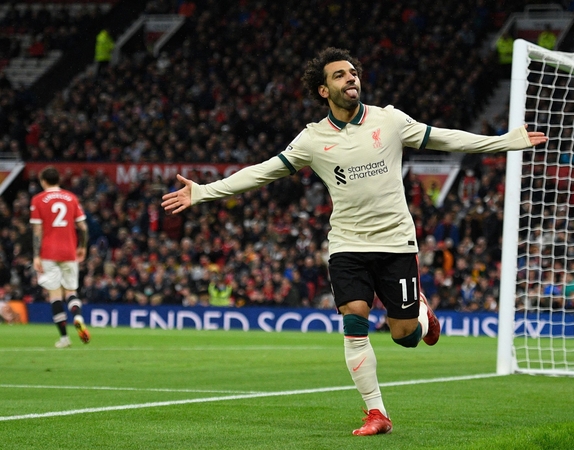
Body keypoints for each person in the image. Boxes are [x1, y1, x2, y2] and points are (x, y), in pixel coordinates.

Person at [161, 47, 547, 435]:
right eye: (340, 75)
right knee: (355, 320)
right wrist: (203, 191)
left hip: (395, 243)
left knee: (405, 337)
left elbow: (445, 138)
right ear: (323, 90)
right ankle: (377, 413)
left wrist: (504, 141)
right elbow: (263, 171)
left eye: (353, 73)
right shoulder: (313, 139)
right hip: (347, 245)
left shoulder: (389, 120)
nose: (351, 78)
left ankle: (420, 313)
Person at [30, 166, 91, 348]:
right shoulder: (71, 198)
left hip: (49, 252)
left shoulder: (38, 199)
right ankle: (78, 317)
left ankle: (64, 338)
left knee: (55, 294)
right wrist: (82, 247)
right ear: (59, 180)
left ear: (43, 181)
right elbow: (83, 227)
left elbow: (37, 230)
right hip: (69, 251)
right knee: (71, 292)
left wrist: (36, 255)